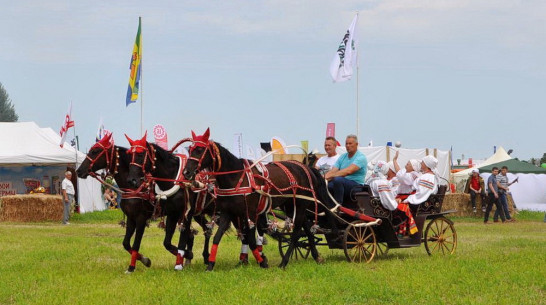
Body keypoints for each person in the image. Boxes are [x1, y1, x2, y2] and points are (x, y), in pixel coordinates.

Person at [325, 134, 367, 204]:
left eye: (350, 143)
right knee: (327, 185)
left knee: (338, 180)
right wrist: (323, 179)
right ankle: (327, 205)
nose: (348, 145)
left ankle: (338, 206)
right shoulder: (342, 157)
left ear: (356, 144)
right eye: (346, 144)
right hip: (342, 183)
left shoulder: (361, 157)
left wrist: (330, 176)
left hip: (356, 186)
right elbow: (333, 171)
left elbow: (348, 171)